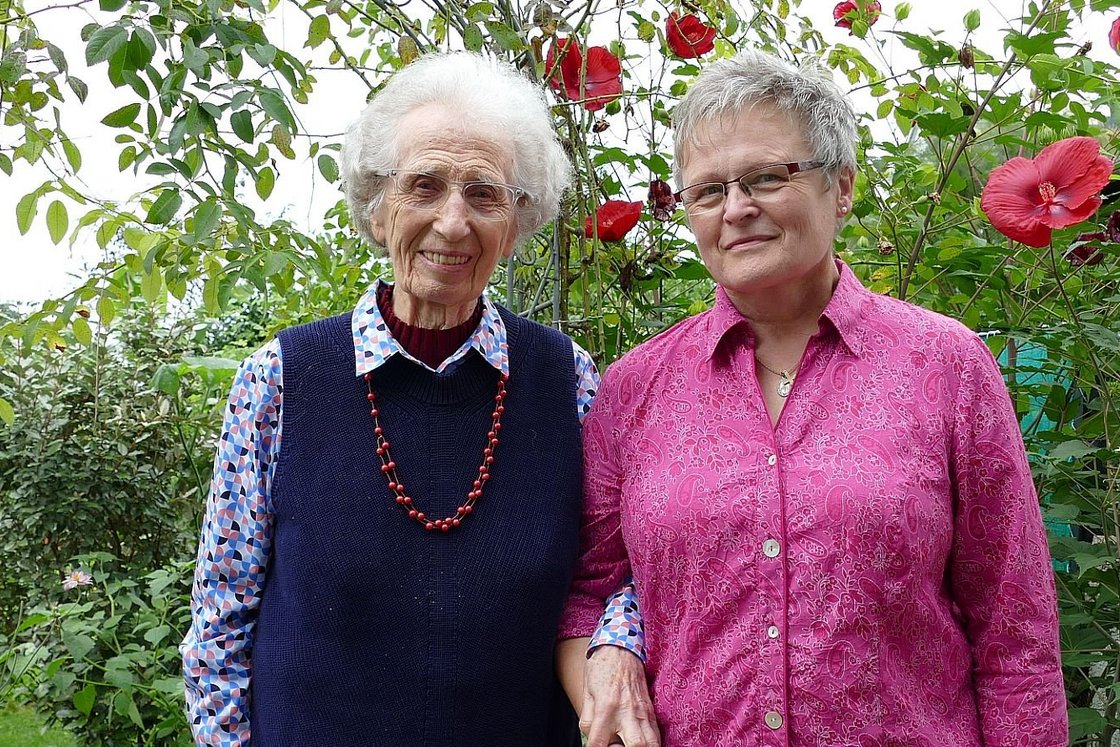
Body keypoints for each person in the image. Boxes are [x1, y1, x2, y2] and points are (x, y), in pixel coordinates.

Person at [557, 49, 1069, 746]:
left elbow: (1016, 637)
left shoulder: (945, 366)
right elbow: (587, 584)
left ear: (844, 186)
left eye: (767, 177)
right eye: (708, 191)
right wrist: (607, 665)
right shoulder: (634, 390)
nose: (737, 209)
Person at [181, 51, 622, 746]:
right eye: (425, 186)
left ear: (515, 223)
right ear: (377, 207)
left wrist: (618, 649)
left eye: (484, 194)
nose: (453, 222)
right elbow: (217, 631)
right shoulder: (281, 382)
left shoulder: (567, 382)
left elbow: (611, 573)